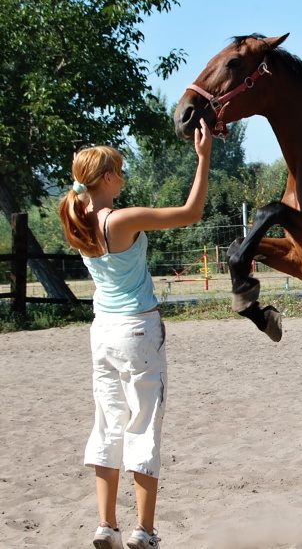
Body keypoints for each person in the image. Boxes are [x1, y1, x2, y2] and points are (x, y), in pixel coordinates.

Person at [58, 121, 213, 549]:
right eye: (120, 170)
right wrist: (203, 157)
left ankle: (105, 524)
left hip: (102, 331)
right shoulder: (121, 219)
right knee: (143, 426)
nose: (123, 176)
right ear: (107, 178)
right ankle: (143, 531)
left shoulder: (78, 220)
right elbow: (191, 213)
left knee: (107, 425)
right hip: (138, 329)